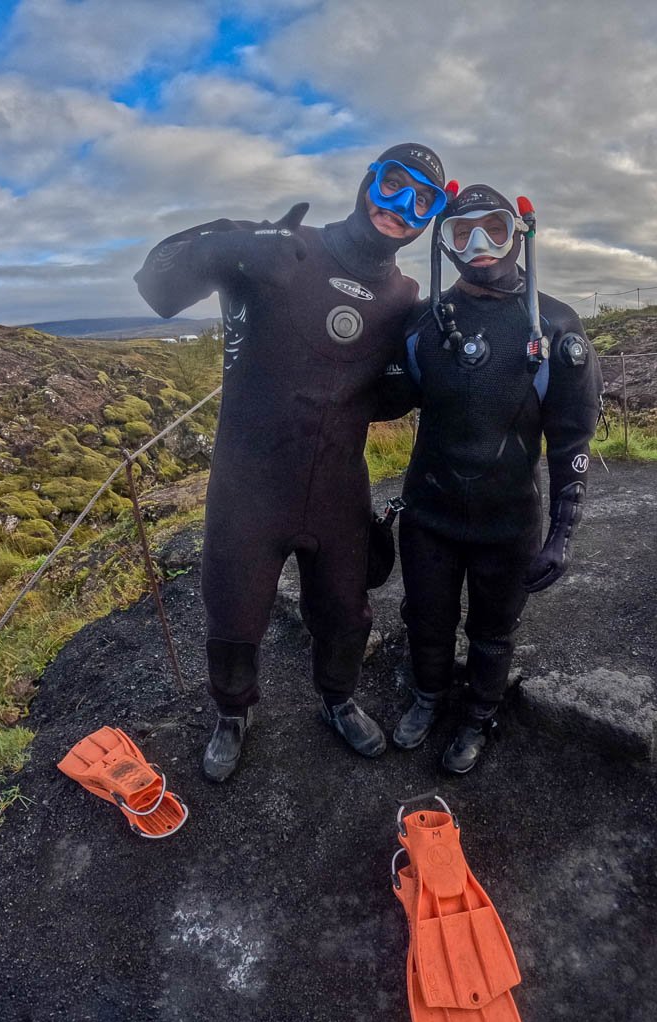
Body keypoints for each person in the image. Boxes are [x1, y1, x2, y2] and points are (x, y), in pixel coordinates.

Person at [133, 143, 448, 782]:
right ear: (368, 183)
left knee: (345, 609)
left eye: (423, 201)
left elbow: (379, 394)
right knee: (235, 605)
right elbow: (156, 285)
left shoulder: (404, 296)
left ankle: (337, 700)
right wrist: (234, 248)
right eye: (393, 185)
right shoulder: (286, 244)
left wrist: (425, 376)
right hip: (249, 483)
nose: (401, 208)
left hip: (337, 485)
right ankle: (232, 713)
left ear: (430, 217)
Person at [391, 184, 604, 774]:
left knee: (493, 629)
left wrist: (563, 528)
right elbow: (378, 395)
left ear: (520, 234)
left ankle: (480, 714)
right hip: (428, 514)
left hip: (507, 517)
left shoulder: (555, 325)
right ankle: (428, 696)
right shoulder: (422, 326)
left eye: (495, 229)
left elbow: (570, 438)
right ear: (445, 244)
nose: (480, 245)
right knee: (425, 617)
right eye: (462, 233)